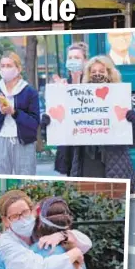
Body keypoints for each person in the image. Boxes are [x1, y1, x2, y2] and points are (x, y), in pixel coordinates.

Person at [68, 56, 135, 184]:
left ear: (110, 73)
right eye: (93, 72)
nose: (97, 75)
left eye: (101, 71)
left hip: (115, 164)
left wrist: (133, 122)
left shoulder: (121, 97)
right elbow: (67, 133)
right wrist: (52, 124)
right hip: (87, 165)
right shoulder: (78, 99)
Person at [0, 52, 40, 175]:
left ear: (18, 69)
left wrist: (14, 112)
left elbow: (35, 122)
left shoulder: (29, 91)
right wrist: (0, 112)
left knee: (26, 176)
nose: (5, 69)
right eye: (2, 66)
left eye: (9, 66)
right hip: (0, 139)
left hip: (24, 141)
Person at [43, 42, 90, 176]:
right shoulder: (60, 86)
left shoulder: (93, 87)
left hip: (89, 150)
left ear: (85, 61)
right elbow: (53, 121)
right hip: (68, 150)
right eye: (70, 58)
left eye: (77, 58)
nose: (73, 61)